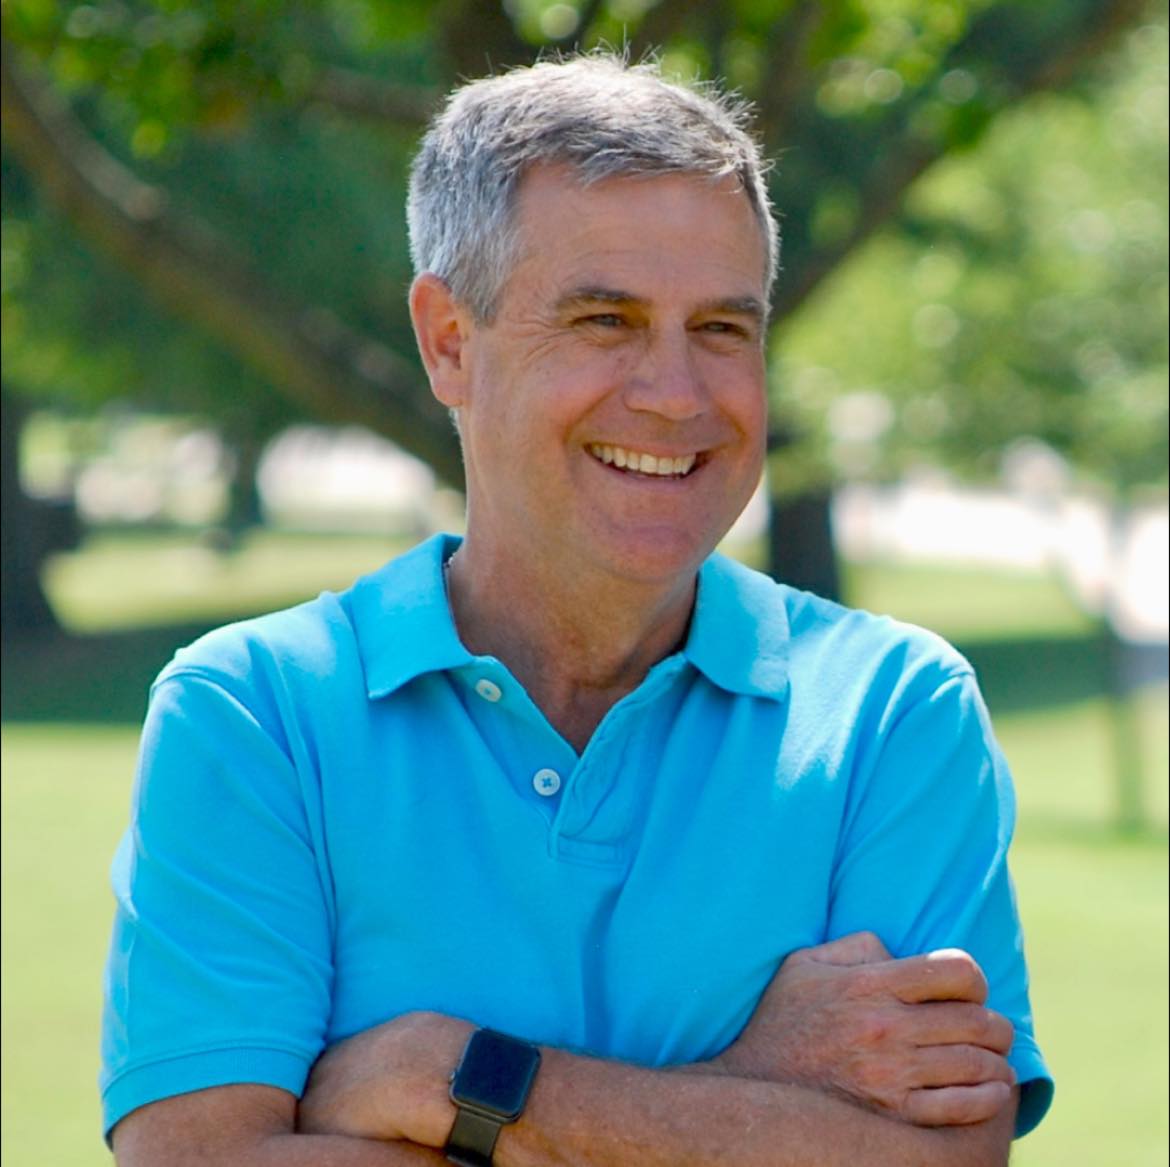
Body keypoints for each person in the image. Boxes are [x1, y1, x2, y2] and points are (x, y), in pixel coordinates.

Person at [101, 52, 1052, 1166]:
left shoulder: (894, 710)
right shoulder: (255, 713)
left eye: (722, 329)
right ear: (451, 342)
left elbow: (941, 1160)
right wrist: (761, 1095)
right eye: (605, 320)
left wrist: (453, 1080)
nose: (677, 393)